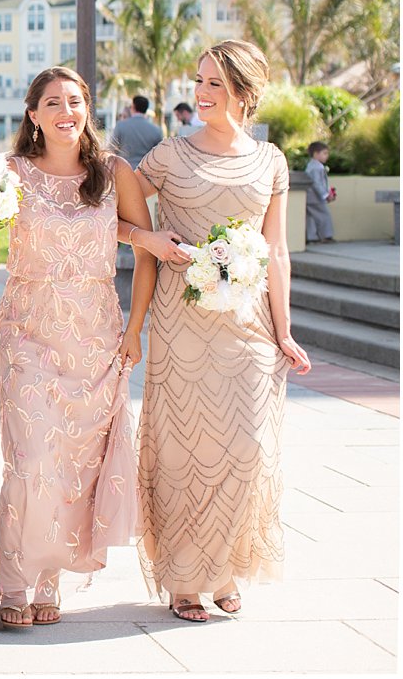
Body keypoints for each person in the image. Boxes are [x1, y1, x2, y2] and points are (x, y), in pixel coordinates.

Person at [126, 39, 311, 623]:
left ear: (244, 92)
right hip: (182, 322)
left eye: (213, 84)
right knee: (185, 448)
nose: (199, 94)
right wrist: (148, 240)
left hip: (249, 324)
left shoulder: (271, 161)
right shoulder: (167, 157)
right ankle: (185, 579)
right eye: (198, 81)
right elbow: (113, 213)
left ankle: (226, 567)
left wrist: (284, 331)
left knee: (247, 449)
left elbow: (276, 249)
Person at [0, 66, 153, 627]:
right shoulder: (9, 174)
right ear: (32, 114)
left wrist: (134, 330)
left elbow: (141, 242)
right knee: (32, 459)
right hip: (27, 330)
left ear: (88, 110)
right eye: (53, 102)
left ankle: (49, 578)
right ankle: (13, 579)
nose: (66, 111)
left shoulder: (112, 173)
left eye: (76, 101)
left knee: (74, 467)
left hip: (95, 335)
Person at [107, 95, 163, 169]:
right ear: (146, 109)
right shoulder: (156, 130)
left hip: (124, 171)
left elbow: (112, 149)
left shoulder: (121, 126)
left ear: (133, 107)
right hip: (147, 172)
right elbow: (159, 155)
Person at [304, 141, 336, 244]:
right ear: (316, 154)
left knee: (311, 217)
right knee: (324, 215)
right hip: (316, 197)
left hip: (309, 197)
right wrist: (326, 195)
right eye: (324, 153)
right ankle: (326, 236)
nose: (327, 156)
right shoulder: (317, 167)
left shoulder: (311, 166)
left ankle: (311, 237)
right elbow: (317, 183)